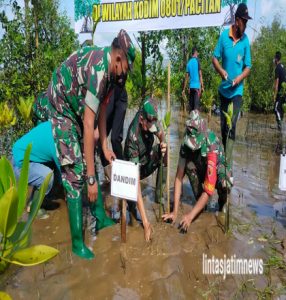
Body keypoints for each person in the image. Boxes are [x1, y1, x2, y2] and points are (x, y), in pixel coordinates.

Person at [32, 29, 136, 259]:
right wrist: (90, 177)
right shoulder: (100, 69)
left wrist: (105, 145)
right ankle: (78, 245)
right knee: (76, 171)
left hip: (75, 103)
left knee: (90, 152)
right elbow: (88, 125)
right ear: (119, 58)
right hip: (60, 106)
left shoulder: (112, 74)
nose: (126, 73)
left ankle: (99, 215)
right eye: (127, 67)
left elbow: (99, 114)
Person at [162, 110, 232, 232]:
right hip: (199, 165)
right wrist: (175, 212)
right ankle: (201, 204)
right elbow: (178, 178)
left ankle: (222, 204)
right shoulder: (185, 144)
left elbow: (209, 189)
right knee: (188, 166)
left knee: (225, 183)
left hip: (216, 167)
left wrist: (190, 216)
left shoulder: (211, 143)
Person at [212, 3, 252, 169]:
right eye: (244, 21)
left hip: (237, 91)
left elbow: (248, 66)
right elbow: (214, 58)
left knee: (232, 124)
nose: (246, 24)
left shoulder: (245, 41)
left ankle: (228, 166)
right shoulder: (223, 37)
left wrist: (239, 78)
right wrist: (222, 72)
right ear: (237, 21)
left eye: (247, 21)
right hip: (224, 91)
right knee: (223, 127)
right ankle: (223, 159)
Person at [124, 97, 167, 241]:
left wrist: (163, 143)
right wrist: (146, 222)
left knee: (162, 153)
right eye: (149, 125)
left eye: (154, 124)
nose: (152, 128)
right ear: (142, 119)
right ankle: (131, 206)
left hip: (146, 159)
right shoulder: (133, 137)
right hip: (132, 170)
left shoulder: (152, 118)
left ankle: (159, 198)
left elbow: (161, 134)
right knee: (131, 207)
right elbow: (134, 180)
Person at [183, 46, 204, 112]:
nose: (197, 54)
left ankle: (191, 121)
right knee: (196, 109)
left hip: (191, 88)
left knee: (191, 109)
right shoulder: (197, 61)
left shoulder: (188, 63)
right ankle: (195, 121)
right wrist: (202, 86)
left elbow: (186, 77)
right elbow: (200, 75)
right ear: (195, 52)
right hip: (196, 88)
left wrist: (184, 89)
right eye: (197, 52)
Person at [273, 51, 286, 131]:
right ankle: (280, 127)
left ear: (276, 59)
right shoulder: (283, 66)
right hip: (284, 91)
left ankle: (280, 126)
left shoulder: (277, 68)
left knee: (276, 108)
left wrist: (275, 95)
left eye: (274, 58)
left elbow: (277, 82)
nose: (273, 60)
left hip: (280, 92)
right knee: (281, 108)